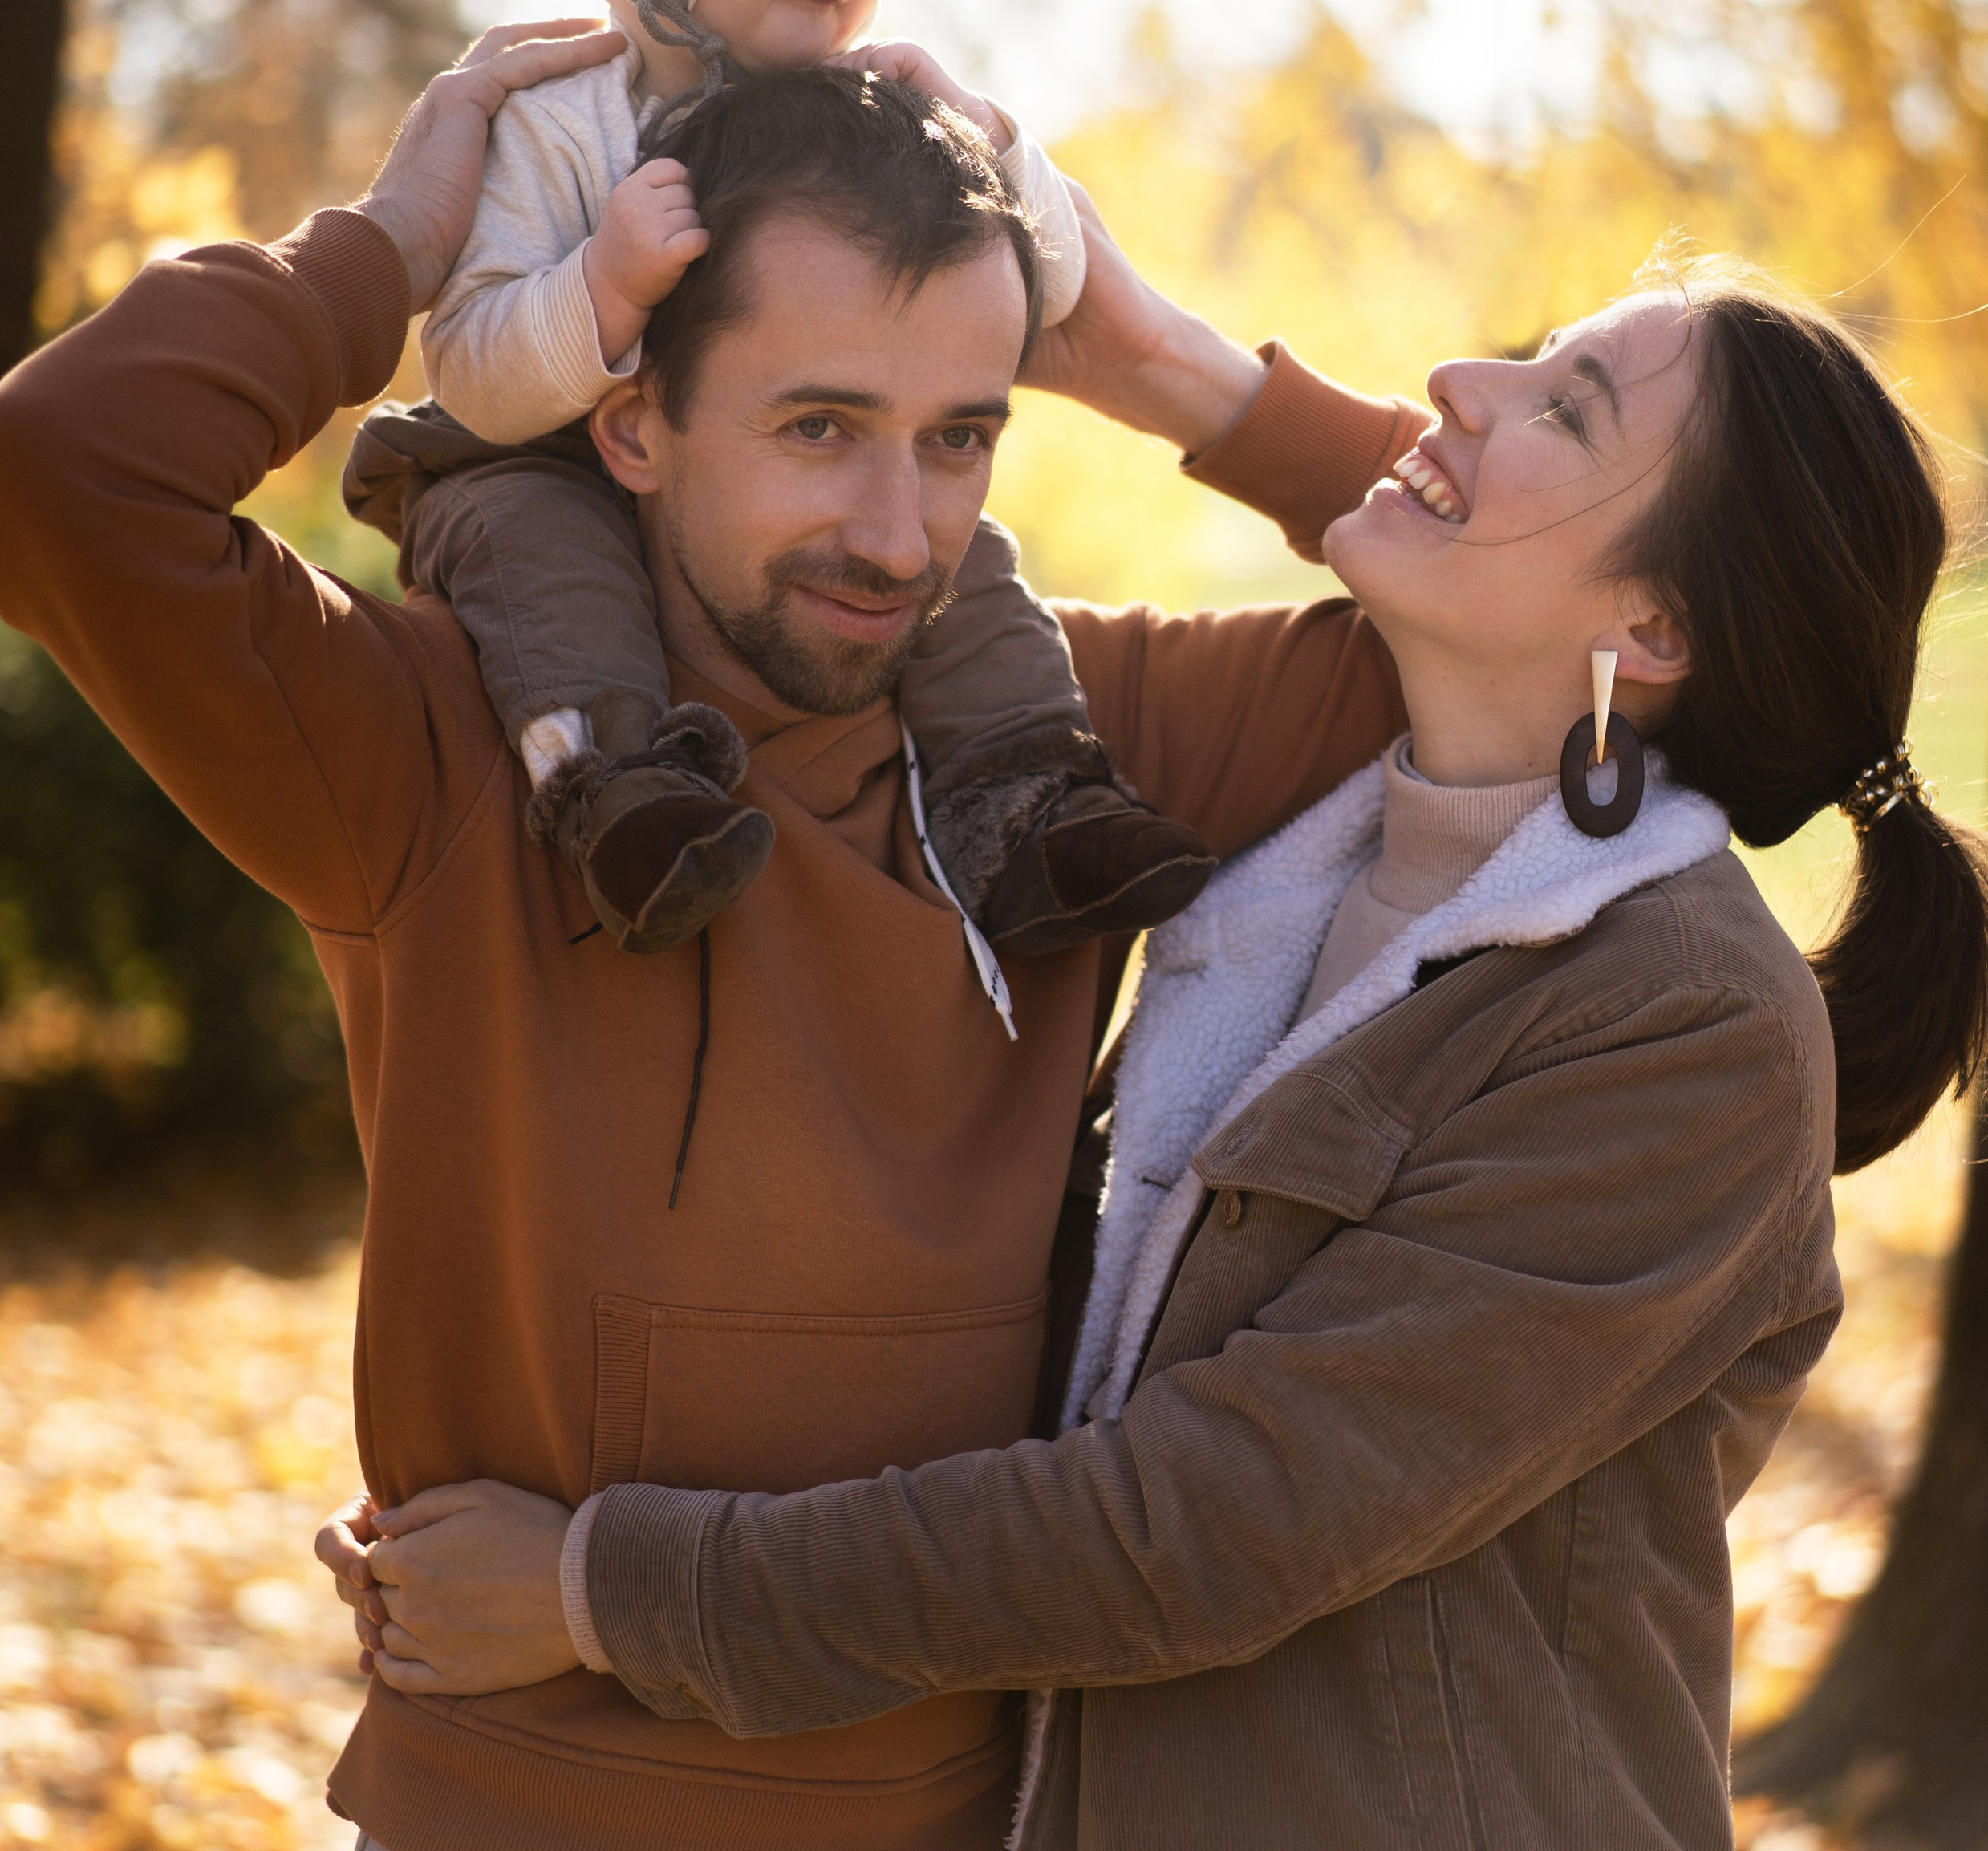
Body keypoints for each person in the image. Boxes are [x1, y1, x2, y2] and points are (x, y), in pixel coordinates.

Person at [0, 27, 1423, 1851]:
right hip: (519, 1801)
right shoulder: (432, 744)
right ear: (631, 417)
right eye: (819, 427)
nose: (899, 534)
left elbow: (1569, 615)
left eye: (958, 435)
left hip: (980, 1804)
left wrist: (1161, 363)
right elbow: (44, 472)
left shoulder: (1060, 755)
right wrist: (401, 256)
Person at [316, 244, 1988, 1846]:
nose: (1453, 383)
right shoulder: (1266, 866)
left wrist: (601, 1588)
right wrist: (1151, 361)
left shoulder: (1678, 1022)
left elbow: (1204, 1519)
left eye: (1562, 407)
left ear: (1649, 635)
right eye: (1527, 355)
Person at [345, 0, 1219, 962]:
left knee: (969, 576)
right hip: (537, 459)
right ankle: (619, 793)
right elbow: (477, 371)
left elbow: (1047, 286)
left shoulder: (878, 117)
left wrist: (991, 140)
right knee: (541, 570)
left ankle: (1030, 805)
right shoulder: (559, 126)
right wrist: (602, 288)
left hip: (762, 492)